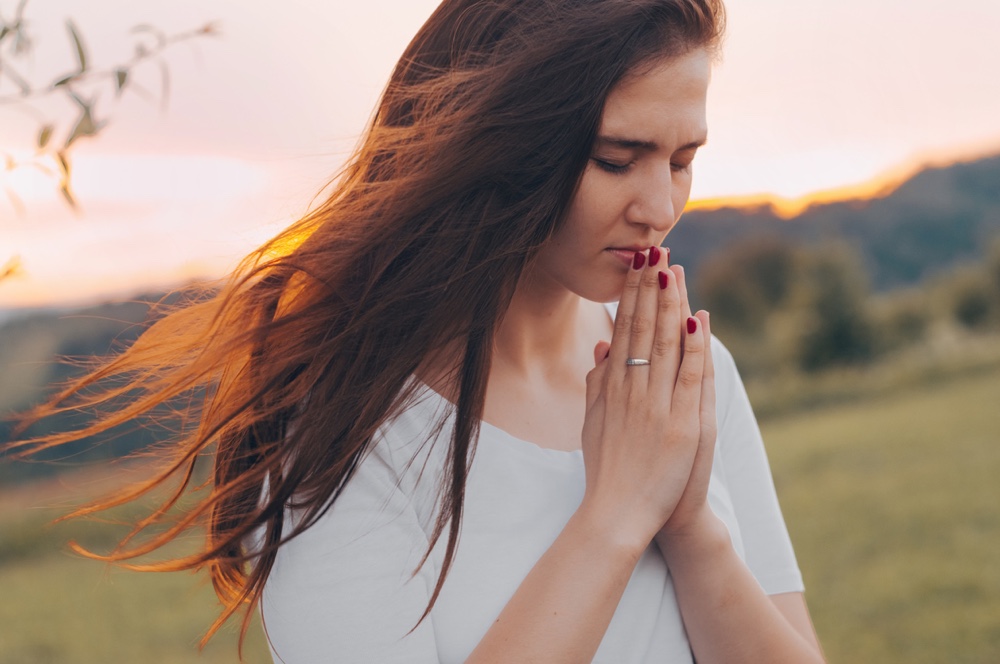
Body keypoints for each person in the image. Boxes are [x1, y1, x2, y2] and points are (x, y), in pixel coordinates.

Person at [13, 0, 825, 661]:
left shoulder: (690, 373)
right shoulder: (348, 430)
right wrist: (613, 518)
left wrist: (690, 530)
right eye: (617, 159)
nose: (662, 207)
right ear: (503, 147)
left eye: (682, 160)